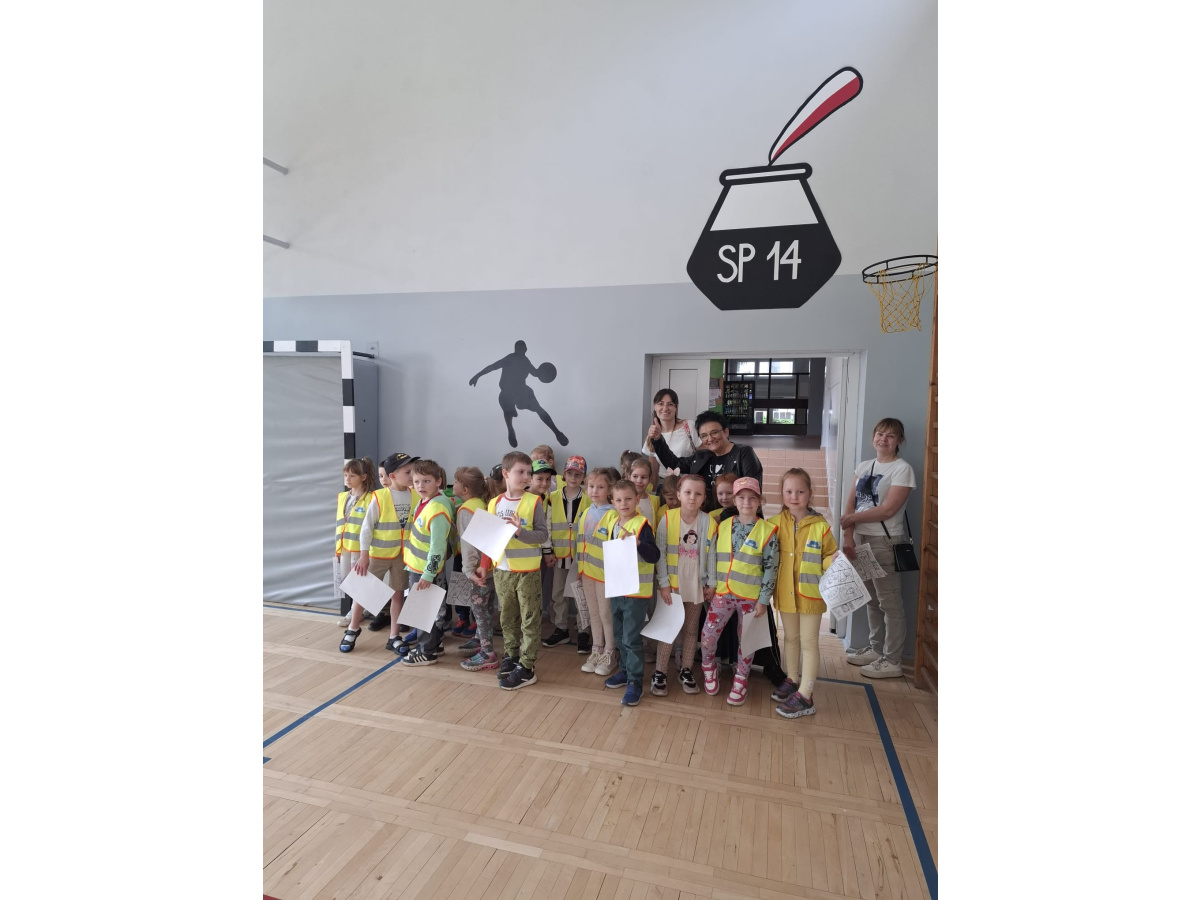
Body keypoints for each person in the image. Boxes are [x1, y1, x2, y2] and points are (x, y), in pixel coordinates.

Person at [840, 418, 916, 679]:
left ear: (899, 441)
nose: (884, 439)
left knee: (890, 603)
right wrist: (849, 537)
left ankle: (893, 660)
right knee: (871, 599)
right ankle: (875, 649)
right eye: (880, 434)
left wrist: (851, 519)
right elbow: (850, 504)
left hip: (885, 542)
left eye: (890, 436)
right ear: (873, 436)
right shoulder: (864, 466)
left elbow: (888, 510)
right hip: (860, 540)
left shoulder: (902, 469)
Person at [700, 477, 779, 705]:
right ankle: (708, 668)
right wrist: (711, 584)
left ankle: (741, 679)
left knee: (747, 642)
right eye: (741, 497)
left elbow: (771, 569)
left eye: (752, 498)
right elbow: (712, 558)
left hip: (751, 599)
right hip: (723, 594)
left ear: (759, 501)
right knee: (707, 636)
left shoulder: (767, 531)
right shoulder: (722, 526)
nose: (746, 502)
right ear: (734, 501)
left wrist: (763, 600)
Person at [769, 469, 838, 718]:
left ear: (809, 493)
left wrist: (832, 560)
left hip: (811, 596)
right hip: (785, 594)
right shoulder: (774, 524)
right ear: (782, 494)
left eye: (800, 491)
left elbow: (827, 557)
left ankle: (806, 695)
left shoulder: (821, 526)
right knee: (790, 638)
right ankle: (792, 679)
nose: (794, 496)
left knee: (809, 643)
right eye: (789, 491)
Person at [341, 452, 419, 652]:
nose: (412, 475)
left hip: (403, 556)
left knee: (398, 594)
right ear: (392, 476)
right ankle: (352, 629)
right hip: (378, 554)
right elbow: (366, 528)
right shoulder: (380, 496)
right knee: (363, 592)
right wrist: (364, 555)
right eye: (407, 472)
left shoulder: (416, 495)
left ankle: (394, 636)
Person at [484, 451, 549, 690]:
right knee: (507, 617)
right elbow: (489, 539)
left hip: (528, 571)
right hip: (502, 570)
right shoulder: (494, 503)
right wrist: (483, 566)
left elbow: (542, 535)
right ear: (505, 473)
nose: (526, 477)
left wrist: (520, 532)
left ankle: (527, 666)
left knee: (529, 619)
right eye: (520, 472)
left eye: (528, 473)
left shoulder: (534, 501)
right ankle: (511, 656)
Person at [652, 474, 717, 696]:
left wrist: (711, 583)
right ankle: (660, 671)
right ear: (679, 494)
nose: (692, 497)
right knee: (668, 628)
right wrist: (663, 583)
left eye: (698, 494)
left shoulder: (708, 522)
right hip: (672, 585)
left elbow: (712, 555)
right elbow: (660, 554)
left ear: (704, 498)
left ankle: (686, 669)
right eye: (688, 492)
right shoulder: (667, 519)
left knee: (690, 630)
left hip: (695, 585)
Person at [601, 479, 661, 707]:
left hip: (636, 592)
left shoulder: (642, 524)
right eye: (618, 500)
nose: (623, 503)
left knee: (631, 637)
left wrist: (638, 544)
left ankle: (635, 681)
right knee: (618, 633)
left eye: (628, 499)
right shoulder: (613, 523)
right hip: (617, 588)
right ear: (612, 502)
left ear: (637, 499)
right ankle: (625, 670)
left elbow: (654, 556)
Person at [399, 460, 456, 667]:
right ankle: (434, 645)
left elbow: (437, 547)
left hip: (425, 571)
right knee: (426, 611)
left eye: (426, 481)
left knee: (423, 612)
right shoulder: (426, 501)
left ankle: (427, 652)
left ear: (438, 482)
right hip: (418, 567)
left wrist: (428, 574)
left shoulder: (437, 508)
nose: (420, 486)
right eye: (416, 482)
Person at [648, 410, 763, 512]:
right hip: (707, 520)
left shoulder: (743, 454)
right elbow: (675, 464)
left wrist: (721, 517)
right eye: (704, 436)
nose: (710, 439)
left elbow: (750, 493)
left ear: (726, 432)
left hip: (736, 521)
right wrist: (658, 440)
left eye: (714, 432)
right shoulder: (702, 456)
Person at [468, 340, 568, 448]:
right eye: (519, 348)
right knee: (510, 407)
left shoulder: (525, 361)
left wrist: (545, 372)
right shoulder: (511, 359)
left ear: (525, 349)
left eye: (521, 348)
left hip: (520, 391)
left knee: (537, 408)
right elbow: (492, 367)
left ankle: (557, 432)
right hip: (509, 391)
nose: (521, 350)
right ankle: (511, 430)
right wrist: (477, 375)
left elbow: (536, 373)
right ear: (518, 349)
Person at [451, 466, 500, 672]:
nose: (453, 484)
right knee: (487, 609)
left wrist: (469, 570)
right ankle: (480, 639)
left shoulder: (466, 511)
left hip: (479, 571)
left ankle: (487, 654)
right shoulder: (484, 503)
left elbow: (469, 545)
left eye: (455, 481)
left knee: (479, 611)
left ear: (465, 489)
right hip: (491, 567)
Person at [541, 456, 590, 648]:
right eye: (570, 473)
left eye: (578, 474)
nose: (573, 477)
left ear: (583, 476)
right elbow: (546, 526)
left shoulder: (588, 499)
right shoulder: (552, 497)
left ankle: (584, 631)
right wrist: (548, 550)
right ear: (564, 474)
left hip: (580, 557)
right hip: (559, 554)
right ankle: (561, 628)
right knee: (558, 594)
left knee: (581, 595)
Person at [577, 469, 618, 677]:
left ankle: (610, 652)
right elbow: (579, 541)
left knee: (605, 614)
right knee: (593, 613)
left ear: (609, 490)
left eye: (600, 487)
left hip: (604, 575)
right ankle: (597, 650)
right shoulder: (586, 512)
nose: (594, 491)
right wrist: (579, 568)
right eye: (591, 486)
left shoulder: (613, 514)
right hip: (587, 572)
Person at [334, 457, 377, 626]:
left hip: (360, 548)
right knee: (347, 579)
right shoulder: (342, 497)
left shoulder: (371, 498)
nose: (347, 479)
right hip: (344, 545)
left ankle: (355, 613)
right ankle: (361, 609)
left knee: (358, 579)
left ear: (363, 477)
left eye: (352, 476)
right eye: (346, 475)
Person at [642, 388, 701, 484]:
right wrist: (651, 490)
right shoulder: (653, 434)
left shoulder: (688, 426)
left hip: (689, 483)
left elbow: (703, 456)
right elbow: (653, 473)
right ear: (655, 407)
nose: (665, 408)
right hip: (664, 485)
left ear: (676, 407)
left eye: (670, 404)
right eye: (661, 404)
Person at [626, 455, 661, 528]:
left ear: (650, 479)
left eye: (643, 477)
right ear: (629, 477)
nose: (639, 481)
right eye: (635, 476)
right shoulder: (623, 500)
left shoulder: (655, 501)